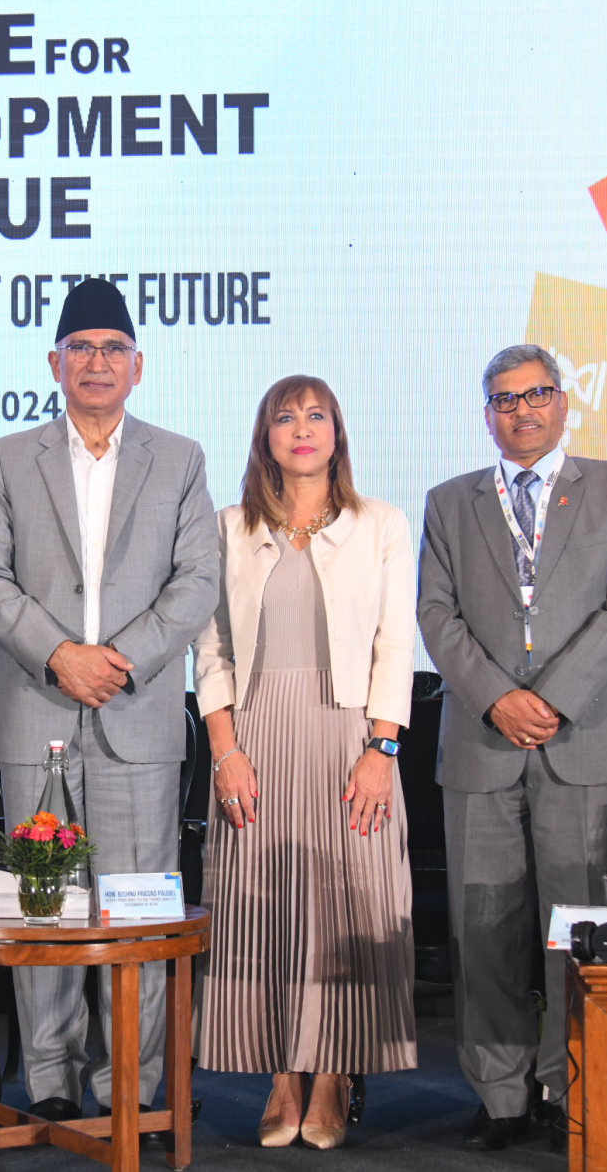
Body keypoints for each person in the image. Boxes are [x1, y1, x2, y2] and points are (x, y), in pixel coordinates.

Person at [0, 278, 218, 1123]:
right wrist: (60, 653)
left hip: (137, 717)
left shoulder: (180, 458)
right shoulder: (7, 455)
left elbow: (198, 582)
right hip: (37, 709)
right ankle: (48, 1082)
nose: (98, 363)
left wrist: (118, 660)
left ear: (138, 366)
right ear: (54, 362)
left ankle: (128, 1090)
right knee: (44, 907)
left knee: (134, 915)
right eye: (82, 349)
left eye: (114, 349)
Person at [417, 343, 607, 1151]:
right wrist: (500, 698)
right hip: (483, 740)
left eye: (537, 394)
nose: (522, 410)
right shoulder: (449, 502)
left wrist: (548, 698)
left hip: (580, 735)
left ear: (564, 401)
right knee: (482, 926)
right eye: (504, 399)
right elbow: (436, 615)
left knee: (580, 923)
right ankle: (500, 1092)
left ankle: (569, 1080)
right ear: (487, 413)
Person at [194, 375, 417, 1150]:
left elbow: (397, 641)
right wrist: (224, 748)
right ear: (264, 436)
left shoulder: (379, 522)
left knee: (348, 901)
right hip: (254, 737)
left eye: (316, 414)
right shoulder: (229, 526)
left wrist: (382, 748)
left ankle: (331, 1073)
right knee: (260, 903)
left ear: (338, 432)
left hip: (349, 736)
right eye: (285, 416)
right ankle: (278, 1074)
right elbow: (210, 645)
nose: (301, 428)